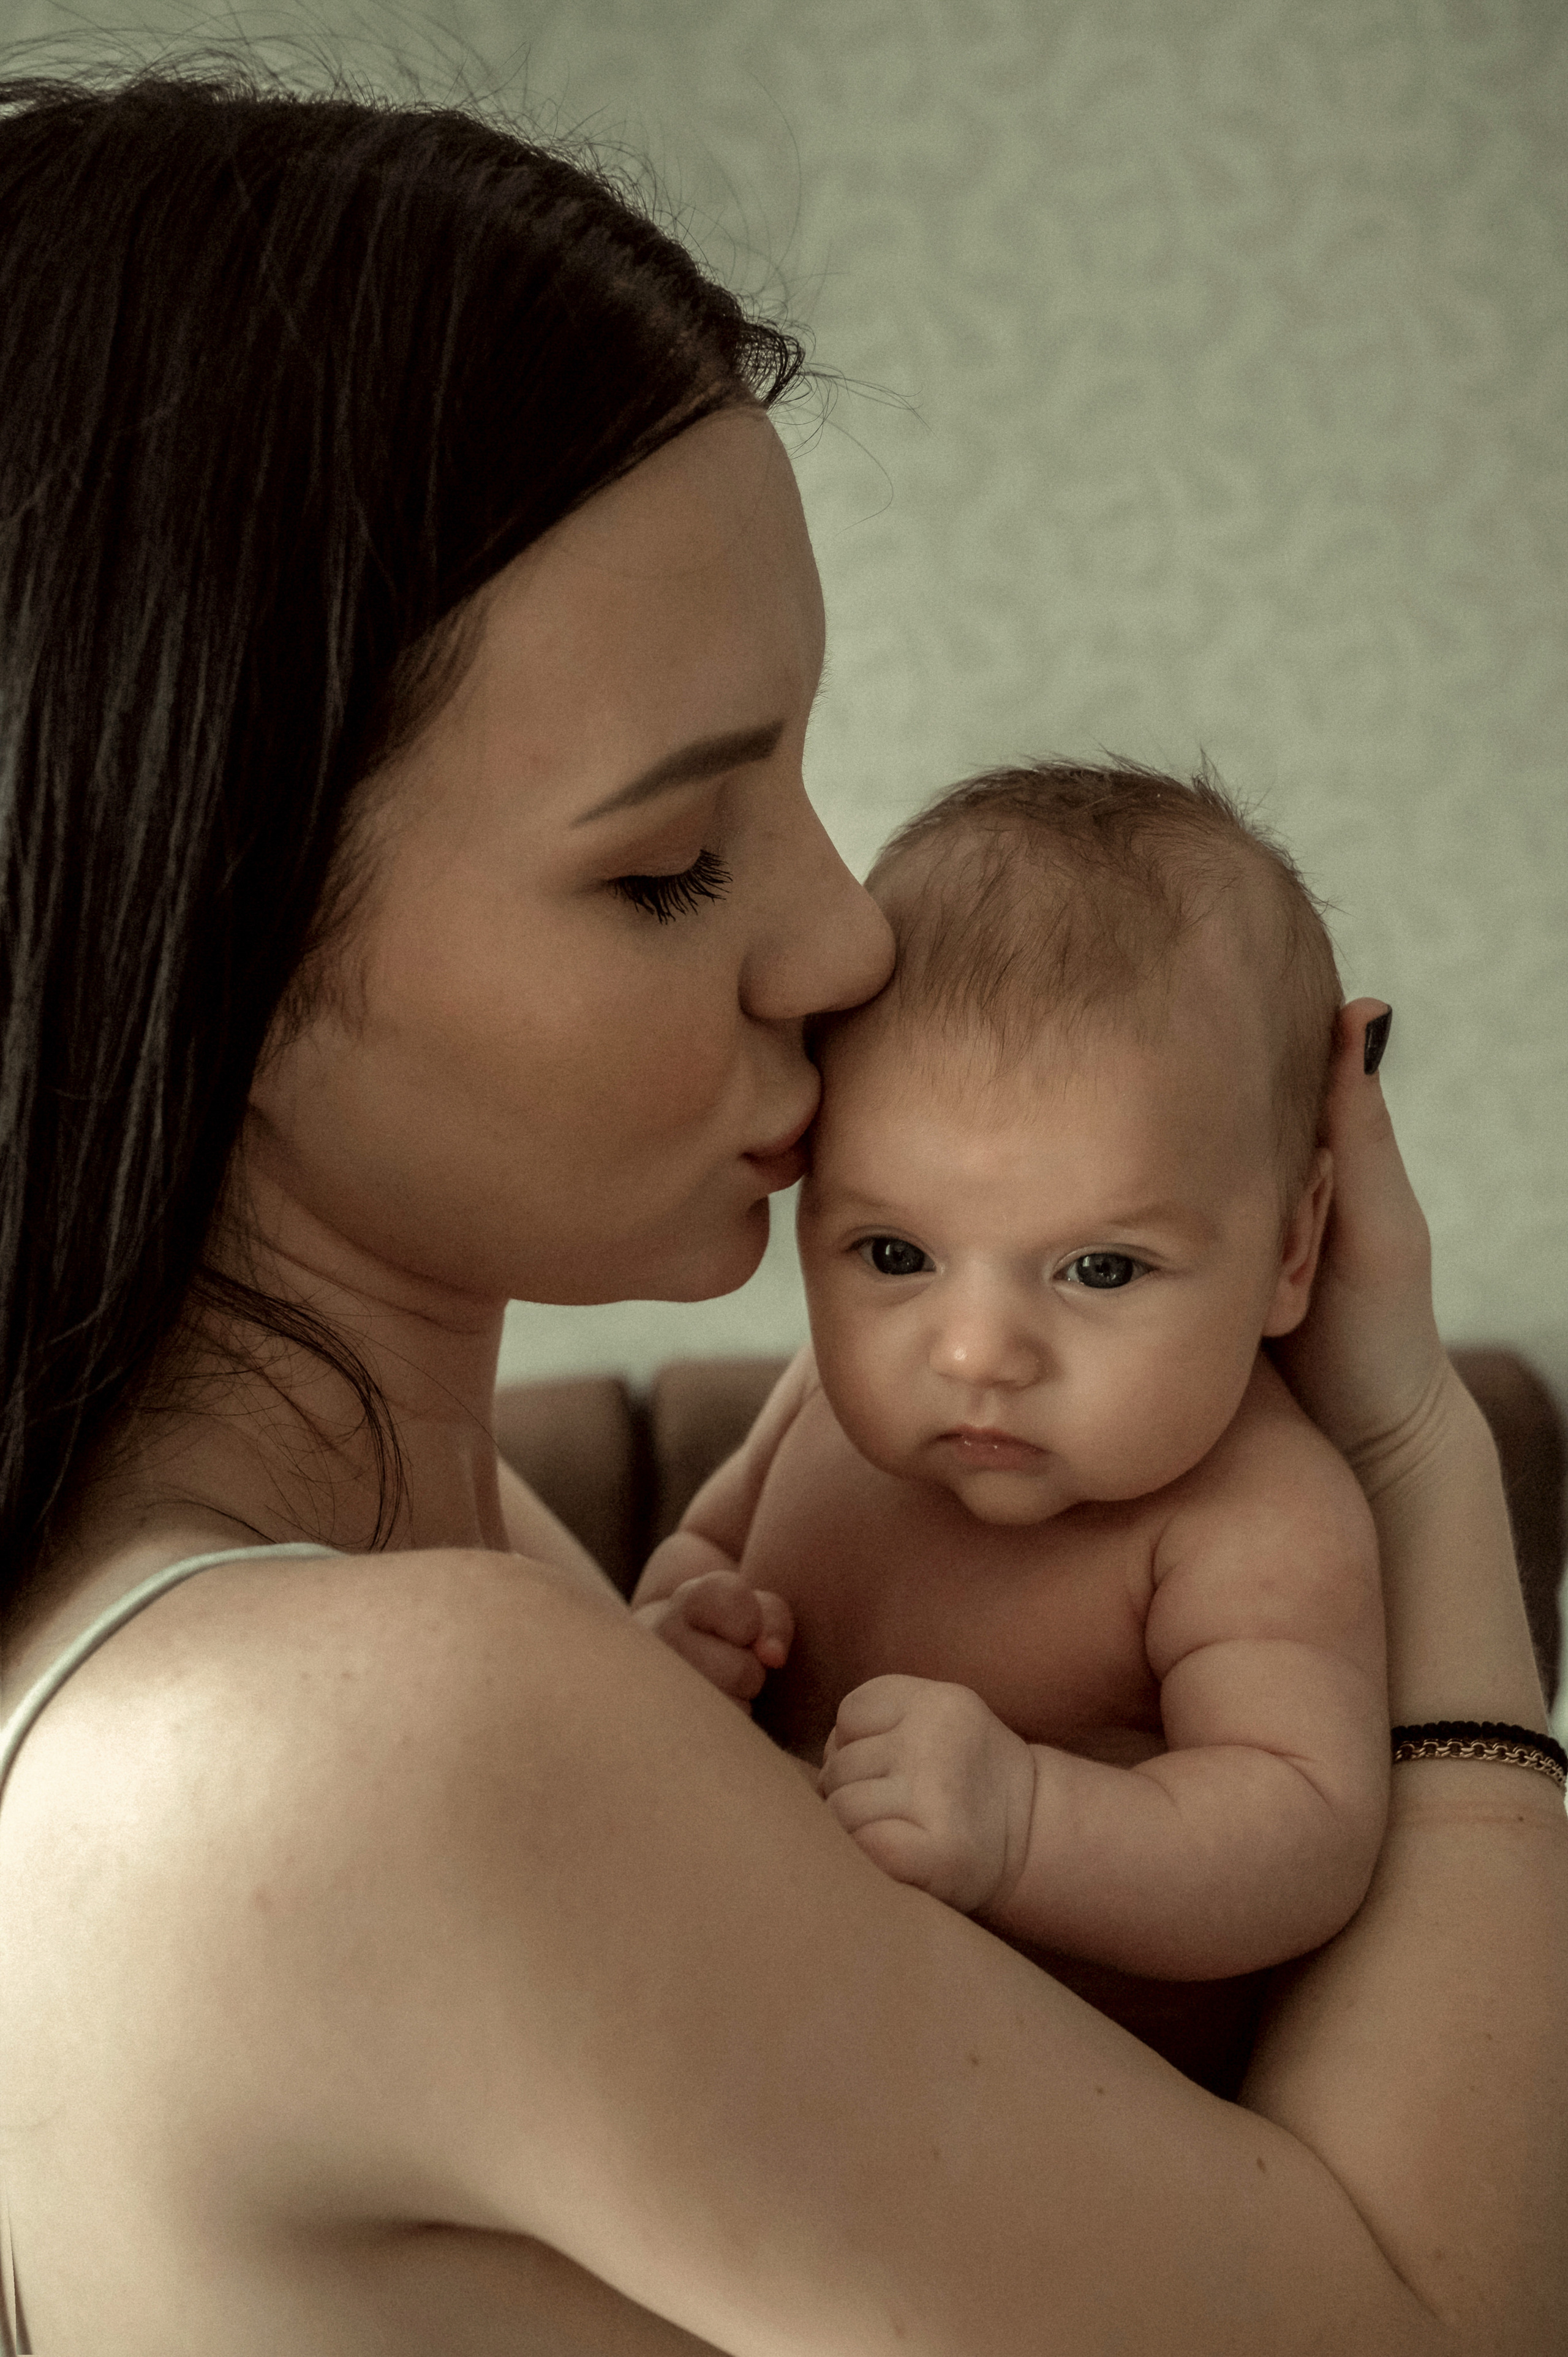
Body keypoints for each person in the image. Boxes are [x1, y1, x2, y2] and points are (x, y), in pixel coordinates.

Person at [0, 66, 1562, 2357]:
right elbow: (1438, 2327)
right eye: (669, 862)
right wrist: (1414, 1448)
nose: (847, 946)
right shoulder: (388, 1737)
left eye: (811, 783)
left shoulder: (489, 1580)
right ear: (197, 933)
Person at [630, 763, 1390, 2083]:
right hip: (784, 2060)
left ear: (1290, 1246)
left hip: (1075, 2123)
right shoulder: (819, 1401)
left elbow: (1302, 1831)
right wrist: (679, 1630)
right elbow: (704, 1552)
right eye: (892, 1255)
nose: (976, 1351)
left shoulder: (1246, 1517)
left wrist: (1027, 1822)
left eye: (1098, 1269)